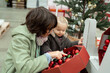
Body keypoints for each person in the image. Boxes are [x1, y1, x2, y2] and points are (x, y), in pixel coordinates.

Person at [2, 7, 66, 73]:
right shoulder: (20, 39)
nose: (51, 32)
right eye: (49, 29)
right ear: (40, 27)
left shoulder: (39, 37)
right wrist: (48, 56)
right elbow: (24, 68)